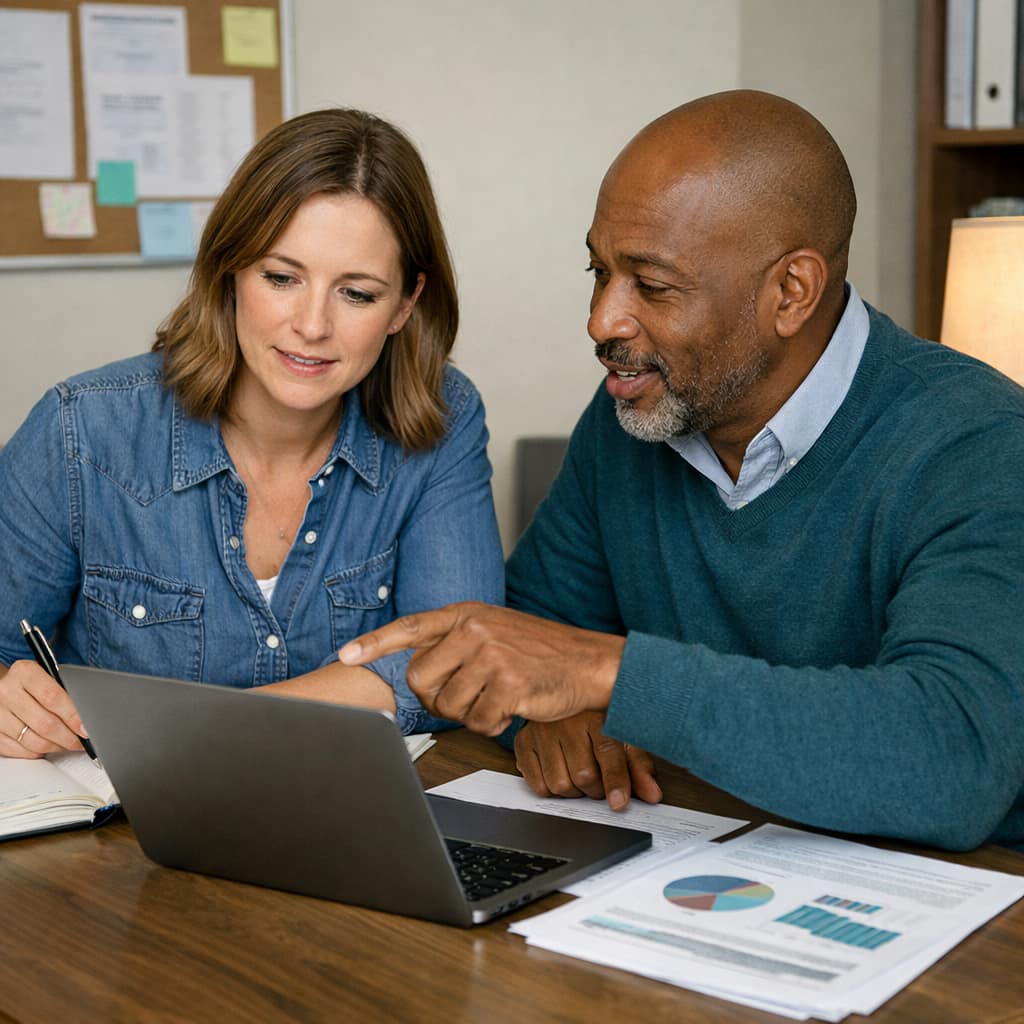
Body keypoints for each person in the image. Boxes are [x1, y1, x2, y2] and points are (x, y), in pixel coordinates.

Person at [338, 90, 1024, 852]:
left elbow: (954, 757)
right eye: (598, 271)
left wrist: (608, 675)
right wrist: (554, 712)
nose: (602, 321)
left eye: (653, 286)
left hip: (960, 910)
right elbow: (532, 635)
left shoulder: (981, 445)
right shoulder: (633, 417)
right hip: (705, 862)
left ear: (790, 292)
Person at [0, 108, 503, 759]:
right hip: (115, 843)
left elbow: (457, 663)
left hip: (345, 826)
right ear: (229, 271)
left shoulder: (445, 418)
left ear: (405, 304)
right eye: (281, 277)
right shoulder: (82, 428)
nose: (312, 325)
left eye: (356, 293)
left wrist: (217, 729)